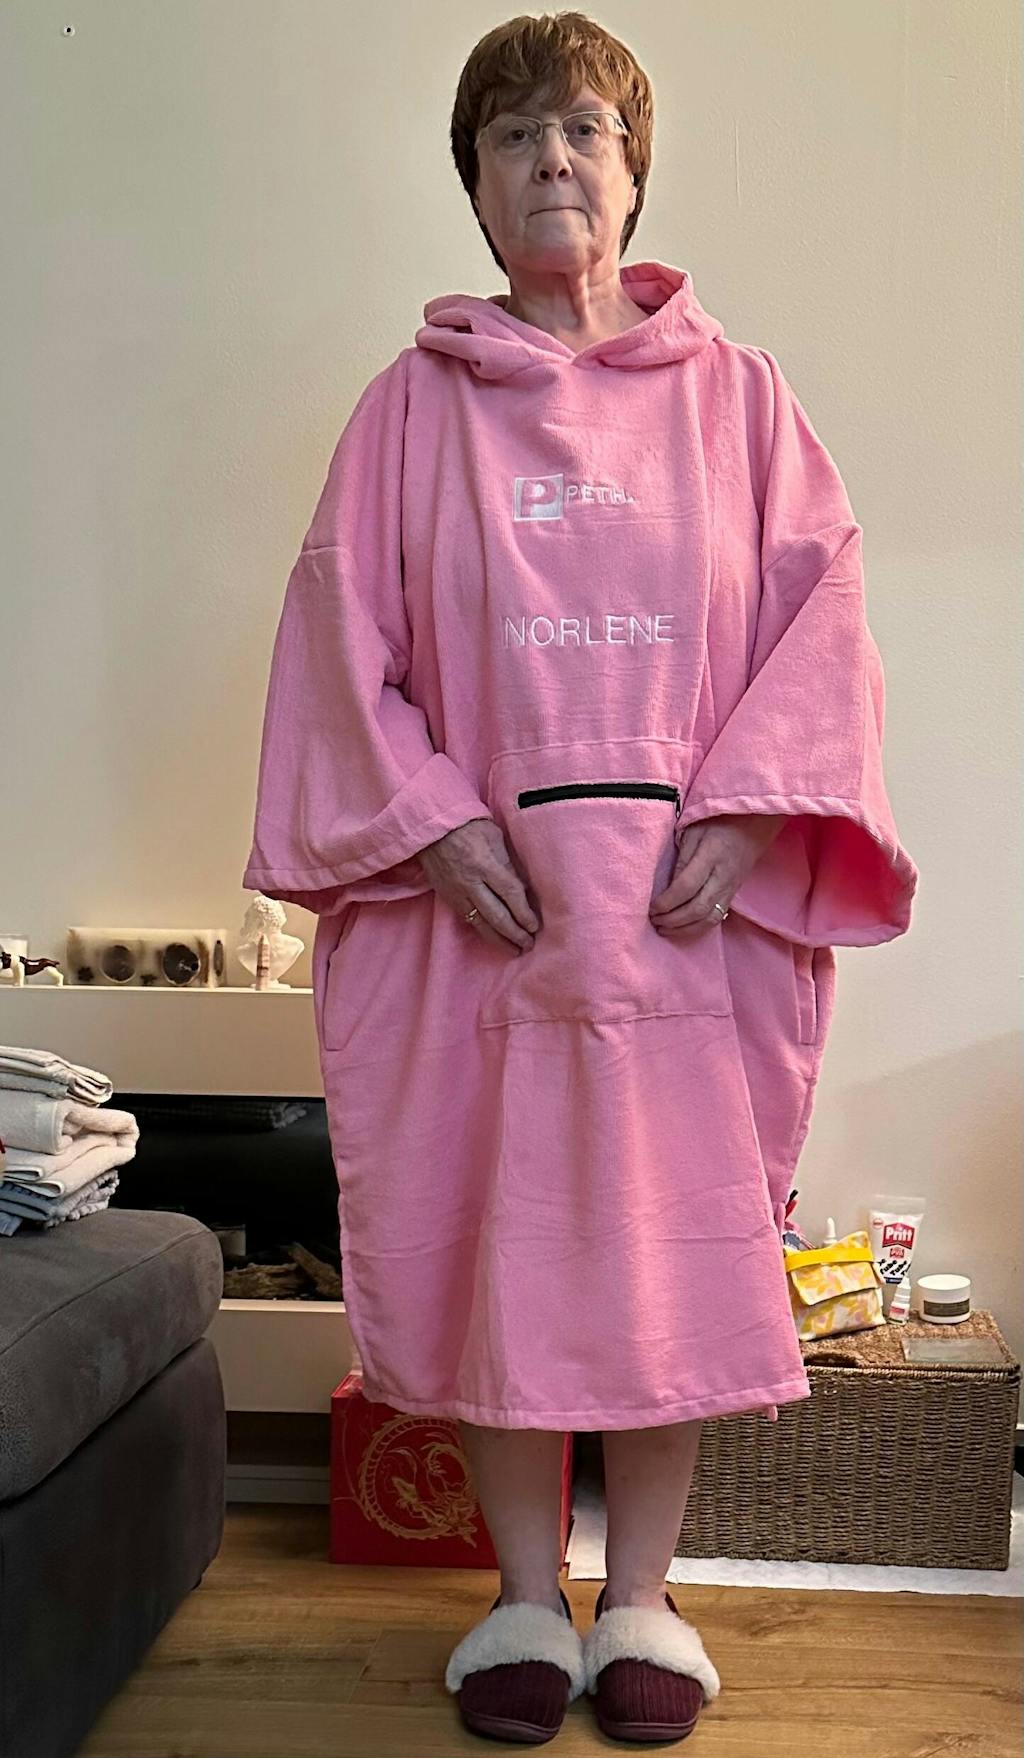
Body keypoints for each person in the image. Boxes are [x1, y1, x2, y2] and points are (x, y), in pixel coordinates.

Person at [242, 9, 919, 1744]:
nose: (552, 156)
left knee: (666, 1251)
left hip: (689, 916)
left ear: (635, 170)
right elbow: (338, 639)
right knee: (503, 1239)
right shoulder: (407, 412)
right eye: (512, 134)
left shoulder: (742, 402)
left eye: (585, 129)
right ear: (475, 191)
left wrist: (752, 819)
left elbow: (821, 618)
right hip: (481, 911)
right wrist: (431, 822)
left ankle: (644, 1602)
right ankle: (524, 1599)